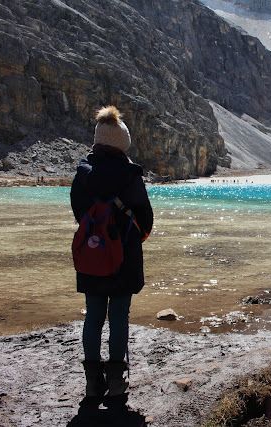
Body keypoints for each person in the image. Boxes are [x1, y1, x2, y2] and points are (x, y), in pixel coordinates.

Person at [70, 106, 153, 411]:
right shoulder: (131, 175)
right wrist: (129, 237)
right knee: (118, 317)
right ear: (122, 143)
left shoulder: (82, 173)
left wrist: (97, 236)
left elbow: (80, 214)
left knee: (93, 316)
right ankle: (116, 384)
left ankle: (93, 384)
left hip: (92, 254)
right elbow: (146, 217)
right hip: (124, 256)